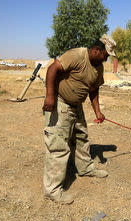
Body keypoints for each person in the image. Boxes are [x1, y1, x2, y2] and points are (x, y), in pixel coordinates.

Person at [42, 34, 116, 204]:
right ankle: (52, 190)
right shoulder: (76, 55)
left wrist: (98, 112)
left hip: (76, 106)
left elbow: (94, 89)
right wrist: (50, 96)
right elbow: (53, 69)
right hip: (59, 102)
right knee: (58, 145)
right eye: (105, 56)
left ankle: (85, 168)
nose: (106, 60)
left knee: (82, 138)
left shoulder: (98, 67)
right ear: (97, 50)